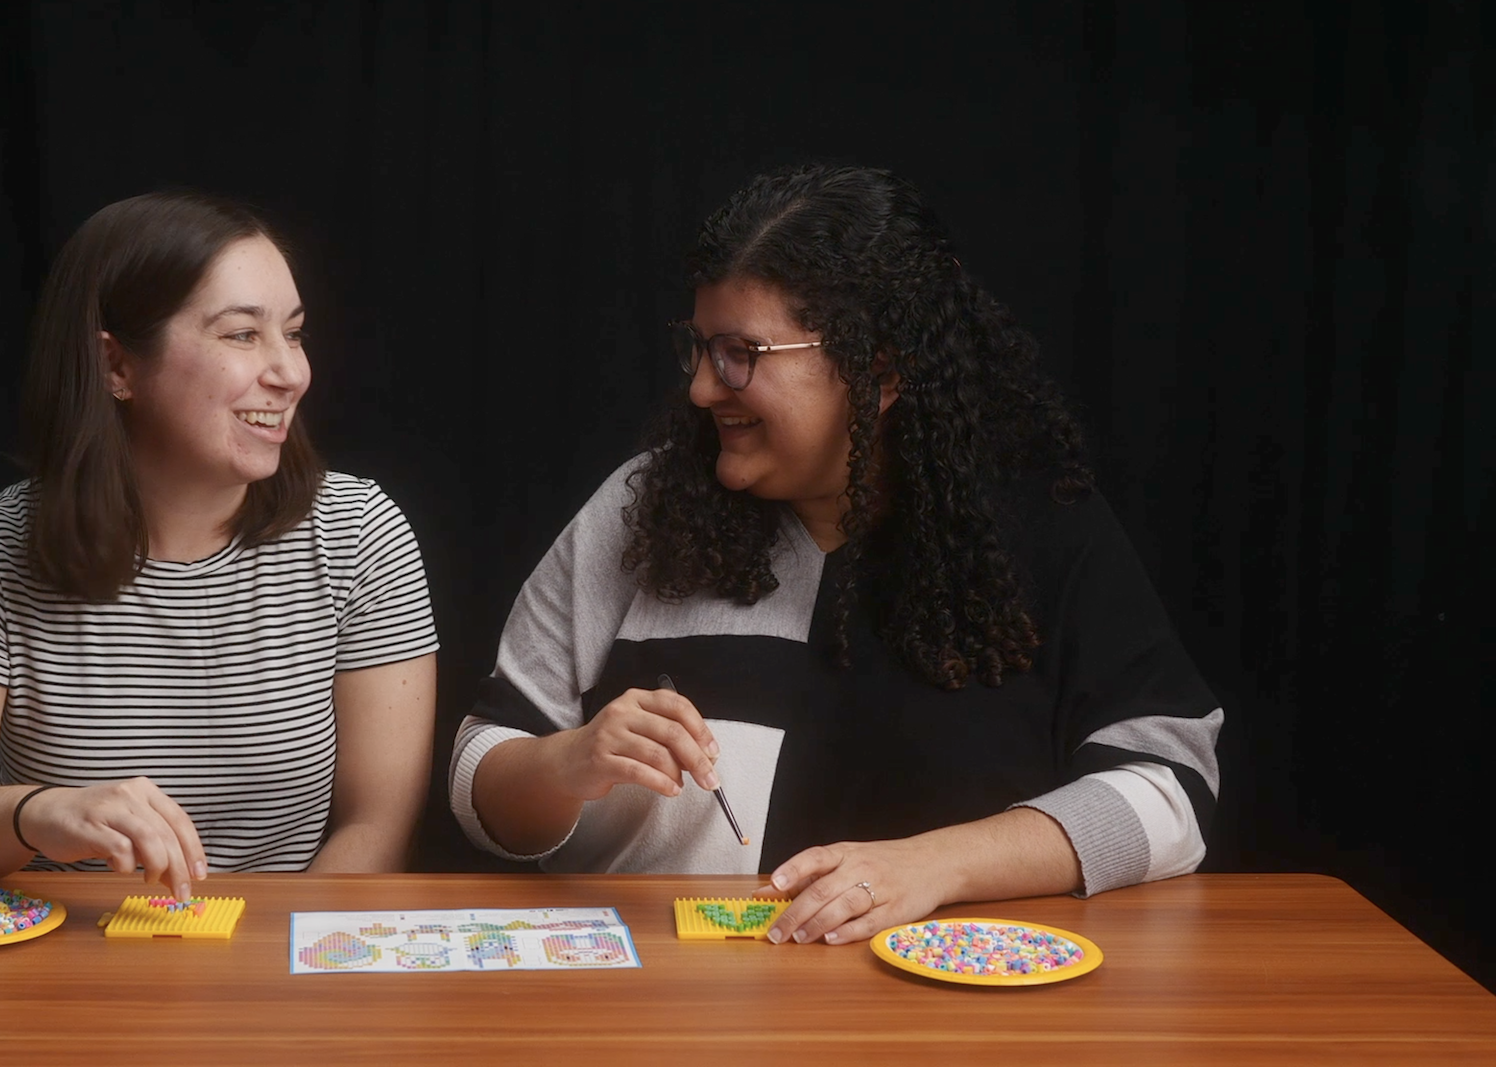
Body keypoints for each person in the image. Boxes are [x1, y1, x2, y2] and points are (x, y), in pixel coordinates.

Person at [451, 164, 1220, 948]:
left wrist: (936, 866)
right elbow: (480, 776)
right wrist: (566, 764)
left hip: (953, 1022)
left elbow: (1174, 793)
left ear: (878, 369)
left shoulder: (1039, 527)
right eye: (700, 349)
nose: (702, 391)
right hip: (663, 1015)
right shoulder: (636, 511)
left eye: (741, 352)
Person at [0, 191, 438, 899]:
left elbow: (376, 828)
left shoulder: (359, 532)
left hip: (285, 967)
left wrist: (281, 975)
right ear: (116, 367)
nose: (290, 373)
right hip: (59, 969)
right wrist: (42, 810)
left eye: (292, 333)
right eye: (241, 335)